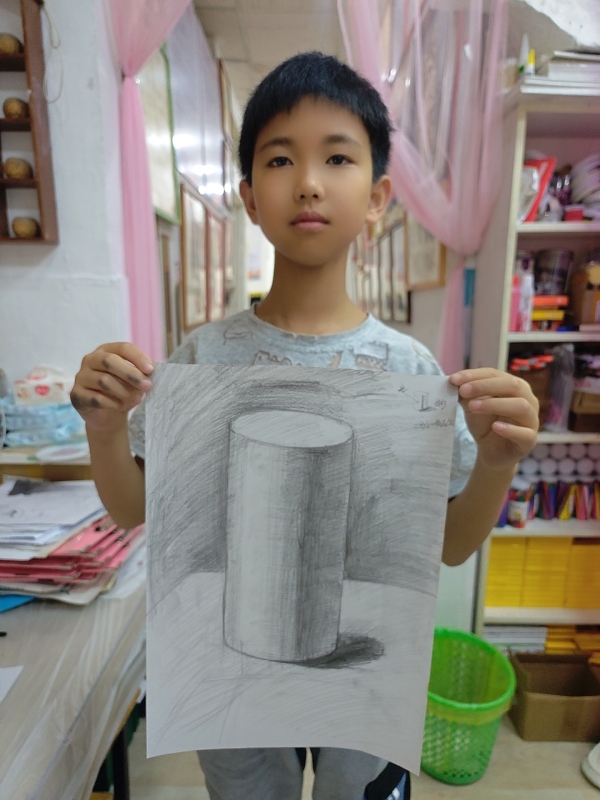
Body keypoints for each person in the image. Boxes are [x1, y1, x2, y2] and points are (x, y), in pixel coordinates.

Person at [71, 52, 538, 800]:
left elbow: (450, 545)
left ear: (378, 197)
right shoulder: (203, 359)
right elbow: (133, 509)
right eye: (281, 159)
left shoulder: (410, 371)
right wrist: (104, 428)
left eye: (338, 157)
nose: (310, 182)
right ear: (250, 198)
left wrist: (497, 462)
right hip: (234, 676)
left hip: (365, 687)